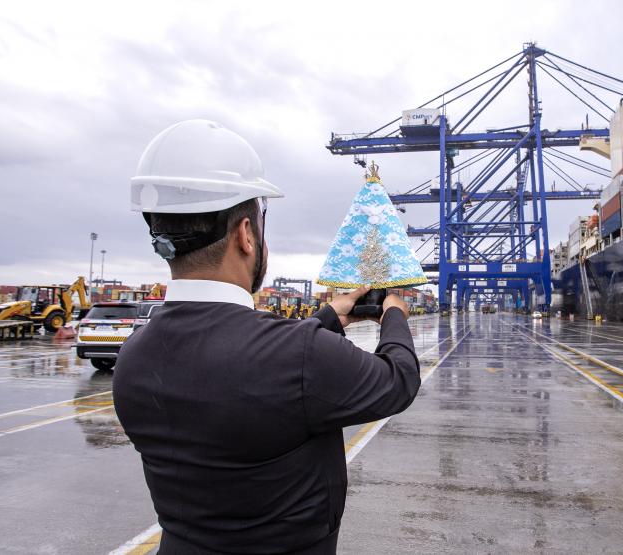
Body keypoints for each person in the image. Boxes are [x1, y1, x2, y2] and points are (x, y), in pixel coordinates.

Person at [113, 119, 421, 554]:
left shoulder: (133, 357)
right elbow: (398, 380)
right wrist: (395, 314)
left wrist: (328, 318)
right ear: (244, 234)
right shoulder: (299, 355)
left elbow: (256, 367)